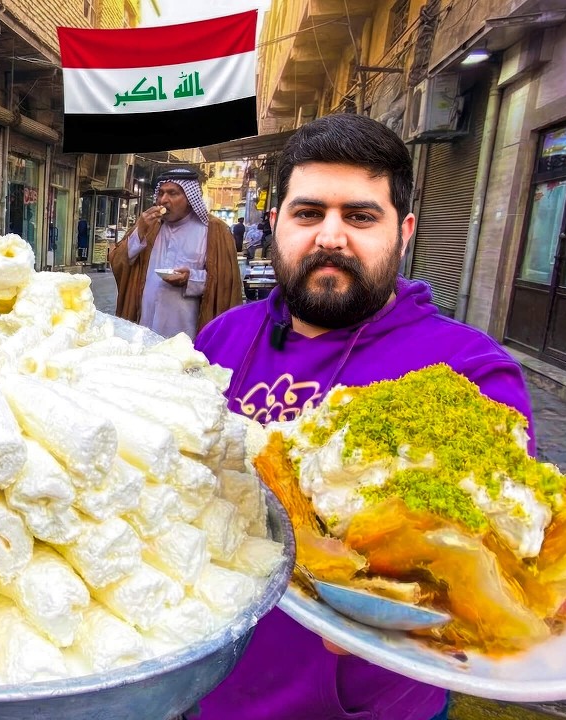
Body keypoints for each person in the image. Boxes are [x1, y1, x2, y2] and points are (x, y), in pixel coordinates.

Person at [194, 112, 536, 720]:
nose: (330, 236)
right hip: (207, 684)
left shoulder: (470, 369)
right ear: (275, 225)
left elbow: (492, 563)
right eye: (308, 213)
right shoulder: (221, 339)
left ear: (402, 231)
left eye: (359, 216)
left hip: (360, 705)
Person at [109, 167, 242, 339]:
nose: (163, 200)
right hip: (144, 327)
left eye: (173, 193)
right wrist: (139, 231)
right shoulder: (148, 226)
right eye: (161, 193)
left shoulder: (214, 231)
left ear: (189, 197)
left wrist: (191, 278)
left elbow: (226, 284)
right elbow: (120, 263)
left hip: (185, 332)